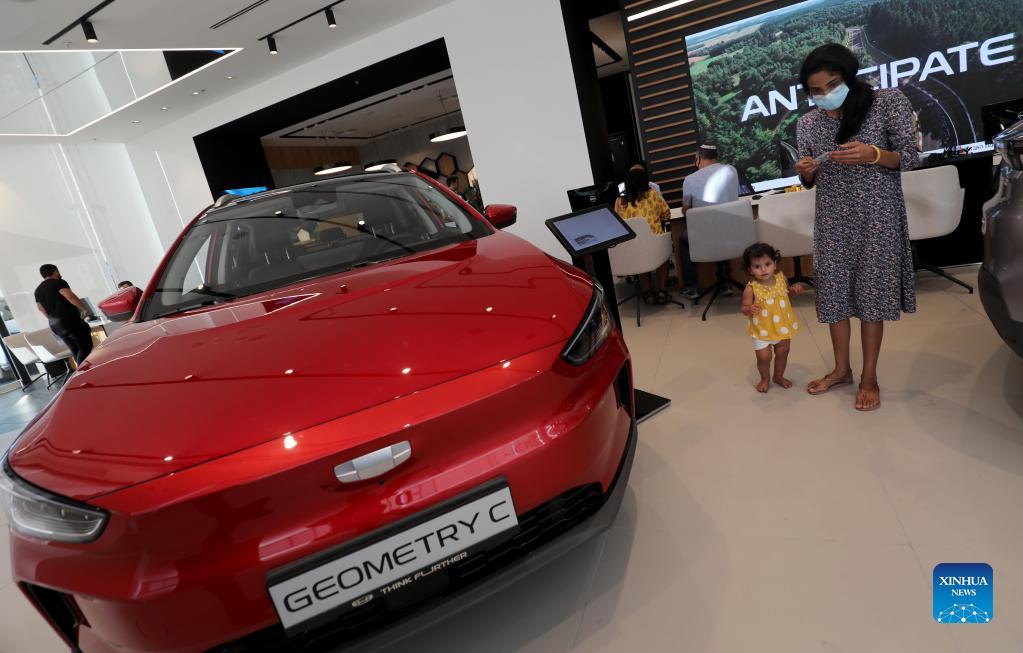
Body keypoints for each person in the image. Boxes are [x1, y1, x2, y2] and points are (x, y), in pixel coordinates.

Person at [795, 43, 919, 411]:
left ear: (849, 76)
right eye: (816, 90)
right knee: (833, 295)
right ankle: (841, 370)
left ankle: (869, 378)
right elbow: (809, 180)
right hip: (832, 220)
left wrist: (873, 154)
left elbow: (911, 157)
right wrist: (807, 172)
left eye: (832, 84)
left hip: (878, 217)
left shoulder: (887, 102)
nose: (825, 94)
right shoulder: (807, 123)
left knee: (871, 295)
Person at [740, 243, 805, 393]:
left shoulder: (782, 278)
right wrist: (749, 309)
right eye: (757, 266)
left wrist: (794, 292)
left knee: (783, 352)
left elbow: (787, 296)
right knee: (764, 357)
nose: (763, 269)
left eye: (767, 264)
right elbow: (744, 308)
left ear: (775, 264)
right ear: (750, 270)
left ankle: (778, 376)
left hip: (782, 326)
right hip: (762, 330)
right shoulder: (751, 288)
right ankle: (765, 378)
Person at [679, 144, 741, 299]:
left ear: (698, 158)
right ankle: (726, 281)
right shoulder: (731, 171)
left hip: (706, 236)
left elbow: (687, 211)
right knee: (721, 229)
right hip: (733, 232)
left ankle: (692, 287)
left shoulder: (689, 180)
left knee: (684, 238)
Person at [614, 167, 672, 304]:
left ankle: (647, 293)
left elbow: (616, 224)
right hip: (655, 246)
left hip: (632, 249)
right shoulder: (652, 195)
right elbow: (666, 214)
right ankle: (662, 291)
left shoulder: (620, 202)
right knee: (664, 255)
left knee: (639, 252)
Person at [34, 264, 93, 365]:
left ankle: (84, 371)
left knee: (75, 349)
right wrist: (84, 308)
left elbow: (40, 308)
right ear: (55, 271)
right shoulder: (59, 282)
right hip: (69, 321)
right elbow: (70, 297)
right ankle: (80, 371)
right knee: (85, 346)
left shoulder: (38, 290)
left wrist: (52, 319)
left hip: (55, 325)